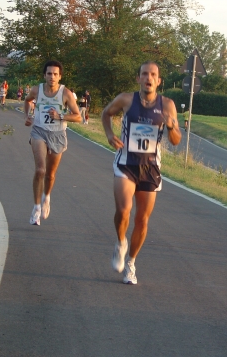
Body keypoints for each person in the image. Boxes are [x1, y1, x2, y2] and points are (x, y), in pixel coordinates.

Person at [101, 61, 182, 285]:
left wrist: (173, 126)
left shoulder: (168, 105)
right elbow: (106, 114)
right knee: (124, 210)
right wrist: (109, 135)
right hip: (126, 163)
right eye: (144, 74)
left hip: (150, 168)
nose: (148, 78)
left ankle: (131, 263)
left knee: (142, 220)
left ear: (158, 81)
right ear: (138, 78)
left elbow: (176, 141)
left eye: (153, 74)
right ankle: (120, 243)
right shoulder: (126, 99)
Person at [24, 60, 81, 226]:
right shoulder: (37, 90)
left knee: (50, 174)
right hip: (39, 132)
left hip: (57, 134)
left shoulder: (66, 93)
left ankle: (46, 198)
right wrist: (27, 116)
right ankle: (36, 208)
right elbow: (27, 101)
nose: (52, 77)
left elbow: (77, 116)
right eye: (49, 73)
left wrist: (60, 116)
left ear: (60, 76)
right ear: (44, 75)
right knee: (40, 170)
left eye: (55, 74)